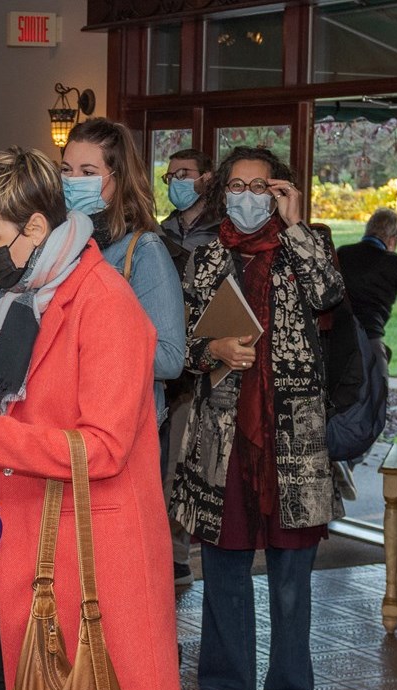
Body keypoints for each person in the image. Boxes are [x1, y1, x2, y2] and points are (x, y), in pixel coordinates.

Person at [0, 146, 182, 690]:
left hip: (89, 555)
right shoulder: (25, 298)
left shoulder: (106, 303)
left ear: (35, 227)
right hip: (24, 539)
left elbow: (103, 448)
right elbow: (5, 418)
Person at [171, 146, 345, 690]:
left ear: (281, 192)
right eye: (238, 186)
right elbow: (180, 349)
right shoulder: (204, 259)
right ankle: (225, 686)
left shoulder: (307, 247)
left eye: (262, 187)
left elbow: (329, 297)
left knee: (292, 576)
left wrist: (296, 226)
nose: (248, 197)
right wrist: (212, 350)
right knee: (222, 566)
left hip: (291, 438)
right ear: (223, 192)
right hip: (222, 435)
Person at [61, 118, 185, 427]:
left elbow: (170, 359)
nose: (72, 181)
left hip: (119, 423)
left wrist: (87, 342)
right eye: (65, 170)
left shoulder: (143, 250)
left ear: (119, 180)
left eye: (87, 173)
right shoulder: (56, 243)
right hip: (61, 417)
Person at [159, 147, 218, 587]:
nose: (178, 181)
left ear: (207, 179)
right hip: (166, 357)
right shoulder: (159, 233)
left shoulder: (221, 233)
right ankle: (166, 553)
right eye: (171, 175)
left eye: (186, 174)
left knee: (187, 459)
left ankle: (182, 551)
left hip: (209, 358)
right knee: (164, 457)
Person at [336, 207, 397, 361]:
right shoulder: (395, 263)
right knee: (377, 381)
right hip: (370, 337)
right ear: (392, 240)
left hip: (337, 337)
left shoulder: (342, 253)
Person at [159, 147, 220, 278]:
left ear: (207, 177)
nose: (174, 182)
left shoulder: (223, 228)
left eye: (182, 174)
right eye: (170, 177)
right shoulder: (164, 228)